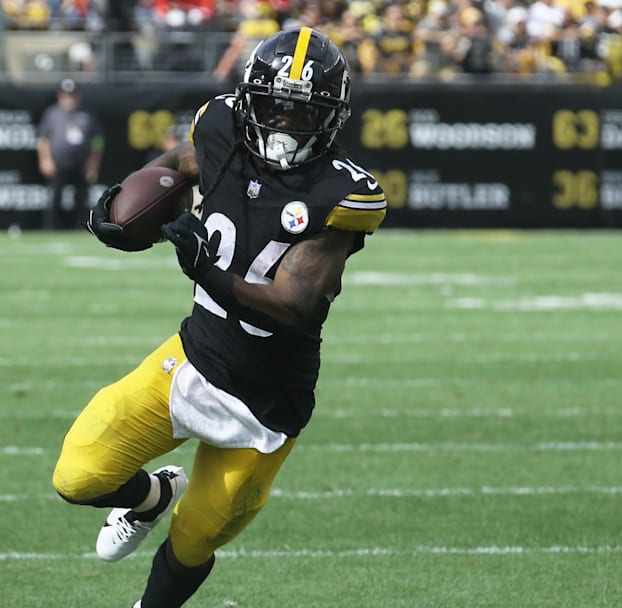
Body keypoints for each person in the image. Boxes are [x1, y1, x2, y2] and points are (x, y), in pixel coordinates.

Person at [53, 27, 386, 608]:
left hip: (264, 405)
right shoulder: (221, 125)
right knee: (78, 476)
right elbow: (183, 162)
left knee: (194, 538)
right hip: (191, 358)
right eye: (275, 107)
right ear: (251, 98)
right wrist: (130, 202)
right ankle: (152, 498)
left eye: (303, 112)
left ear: (332, 118)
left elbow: (293, 303)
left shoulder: (340, 192)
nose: (284, 123)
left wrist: (206, 270)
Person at [36, 78, 105, 230]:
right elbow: (43, 139)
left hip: (81, 164)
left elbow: (98, 141)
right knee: (55, 198)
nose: (69, 99)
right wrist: (45, 160)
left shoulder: (87, 114)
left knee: (81, 198)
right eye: (66, 95)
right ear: (60, 96)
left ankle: (80, 228)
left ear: (78, 96)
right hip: (58, 164)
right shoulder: (52, 113)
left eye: (72, 95)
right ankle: (51, 228)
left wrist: (93, 163)